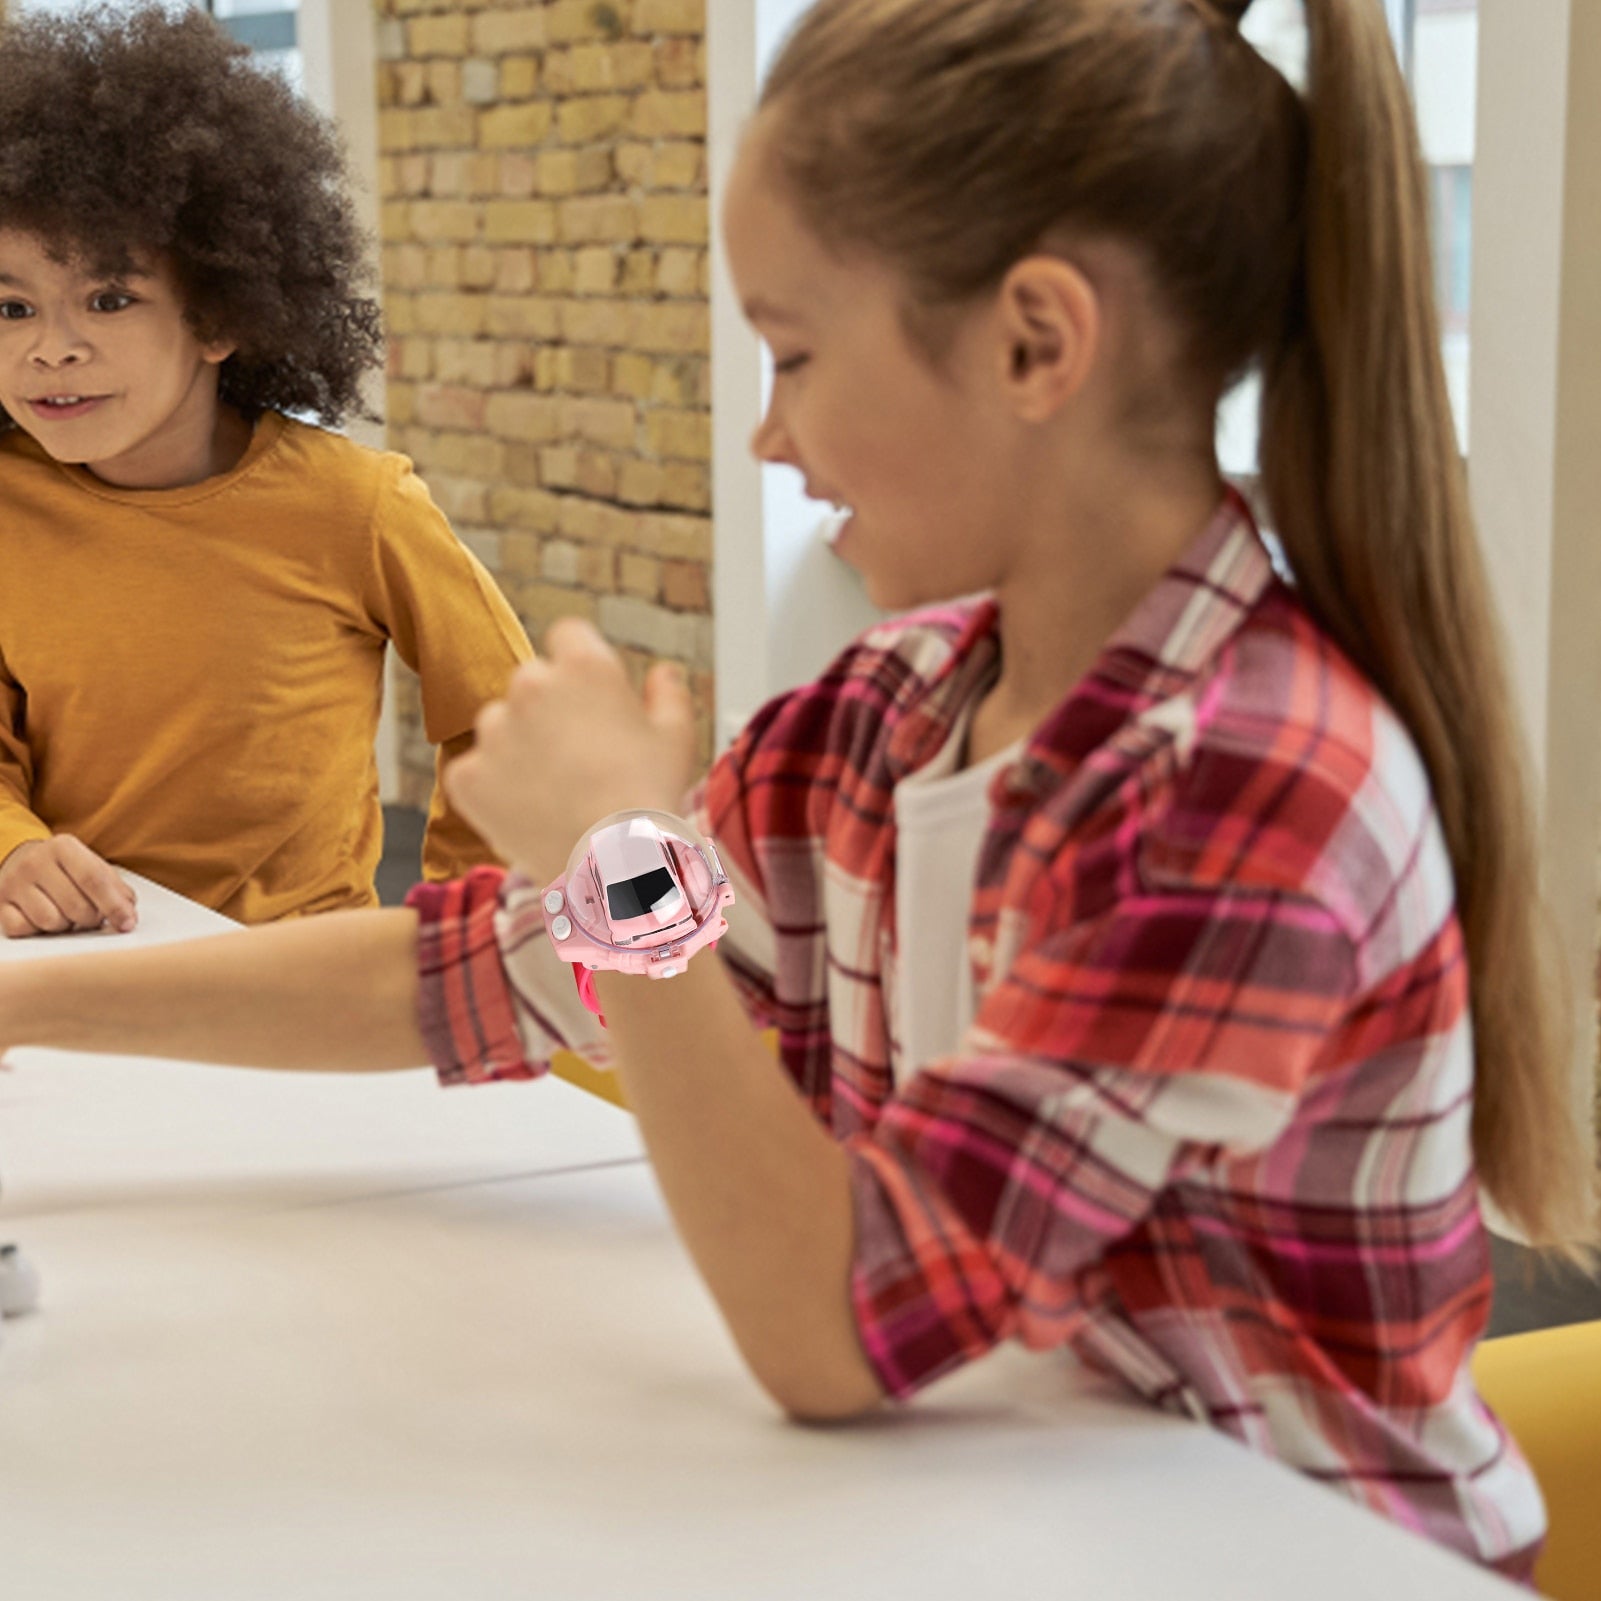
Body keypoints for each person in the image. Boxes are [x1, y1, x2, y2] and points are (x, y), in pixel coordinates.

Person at [0, 0, 1593, 1582]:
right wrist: (27, 1006)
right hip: (1001, 1503)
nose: (766, 435)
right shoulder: (878, 722)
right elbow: (484, 971)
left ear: (1038, 343)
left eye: (799, 354)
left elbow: (835, 1323)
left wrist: (621, 845)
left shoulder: (1246, 792)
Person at [0, 4, 532, 936]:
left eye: (109, 297)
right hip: (74, 961)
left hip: (296, 976)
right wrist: (13, 847)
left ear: (219, 316)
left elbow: (506, 716)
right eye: (11, 308)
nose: (51, 350)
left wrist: (459, 922)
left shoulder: (355, 506)